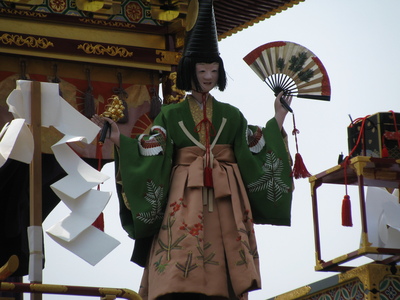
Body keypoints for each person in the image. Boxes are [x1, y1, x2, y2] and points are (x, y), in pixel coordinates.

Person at [92, 1, 293, 299]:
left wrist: (278, 115)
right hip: (184, 192)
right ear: (190, 70)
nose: (209, 76)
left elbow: (255, 147)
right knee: (181, 245)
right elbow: (152, 147)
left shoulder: (232, 114)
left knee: (226, 251)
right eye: (202, 70)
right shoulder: (171, 115)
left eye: (213, 70)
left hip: (227, 191)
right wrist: (120, 140)